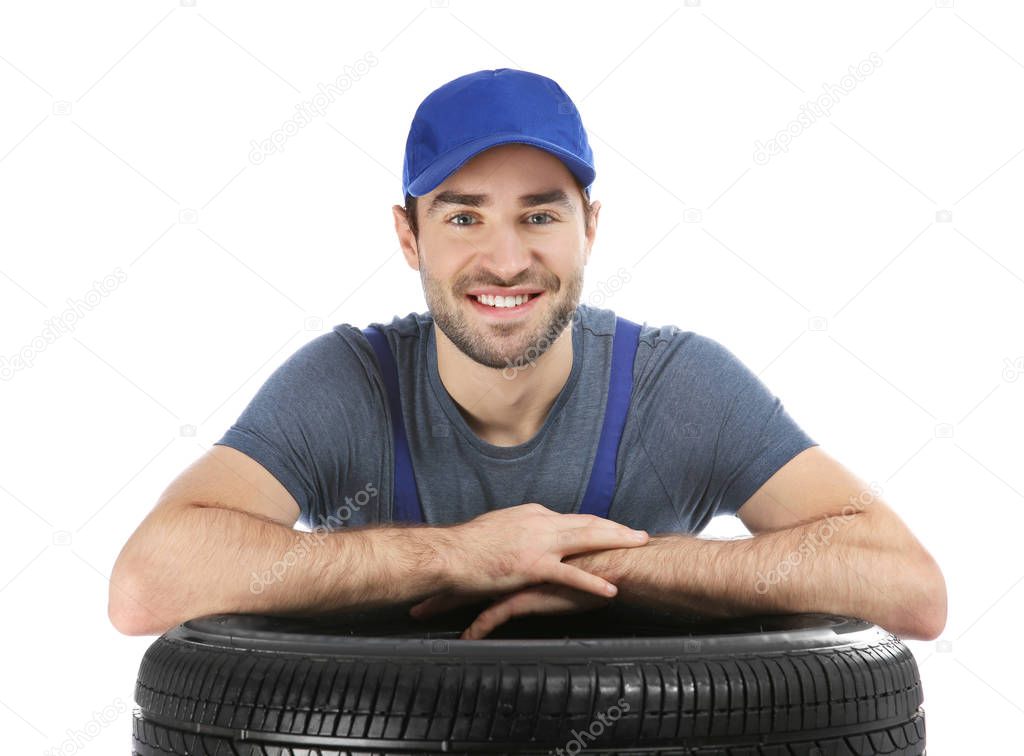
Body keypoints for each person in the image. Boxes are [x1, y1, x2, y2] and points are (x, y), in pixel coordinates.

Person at [109, 68, 946, 641]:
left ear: (591, 228)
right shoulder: (347, 387)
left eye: (540, 216)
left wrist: (613, 563)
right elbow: (147, 585)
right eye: (464, 217)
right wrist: (459, 554)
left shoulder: (677, 387)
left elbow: (911, 588)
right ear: (409, 236)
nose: (506, 262)